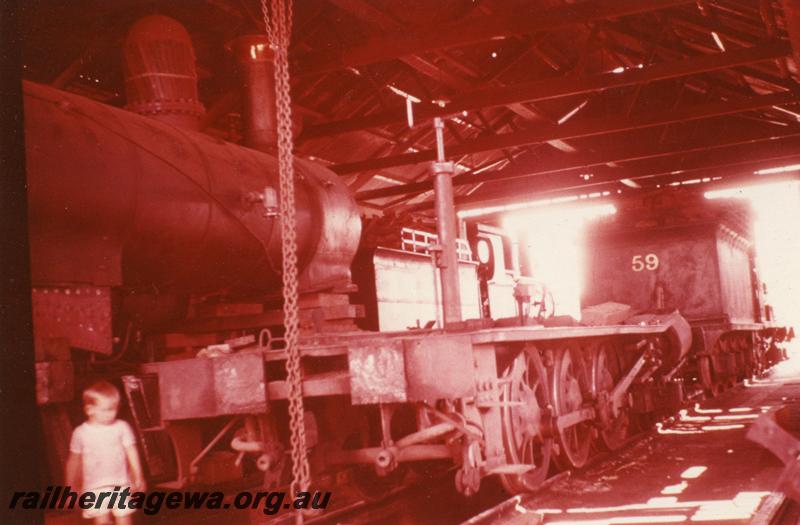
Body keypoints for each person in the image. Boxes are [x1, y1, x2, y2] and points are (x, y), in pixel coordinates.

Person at [65, 381, 145, 524]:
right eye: (107, 409)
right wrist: (70, 487)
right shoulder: (81, 433)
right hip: (94, 487)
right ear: (90, 410)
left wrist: (138, 476)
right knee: (102, 521)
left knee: (125, 519)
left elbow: (132, 452)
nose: (112, 413)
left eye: (114, 409)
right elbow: (73, 461)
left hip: (121, 485)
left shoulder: (122, 427)